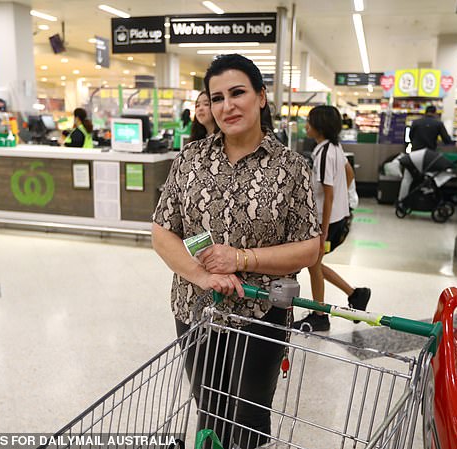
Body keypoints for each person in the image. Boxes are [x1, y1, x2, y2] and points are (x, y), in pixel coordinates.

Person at [152, 54, 319, 449]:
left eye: (238, 93)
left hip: (263, 312)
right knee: (209, 408)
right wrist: (204, 276)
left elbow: (309, 247)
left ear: (261, 97)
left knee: (248, 418)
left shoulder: (291, 167)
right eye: (217, 97)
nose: (227, 106)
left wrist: (241, 260)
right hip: (197, 309)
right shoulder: (190, 159)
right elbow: (162, 232)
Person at [292, 106, 371, 332]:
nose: (305, 126)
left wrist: (323, 229)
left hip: (326, 221)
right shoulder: (335, 147)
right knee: (314, 264)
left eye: (308, 121)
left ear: (319, 126)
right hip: (337, 218)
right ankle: (356, 294)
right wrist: (341, 204)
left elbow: (327, 193)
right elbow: (349, 174)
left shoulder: (324, 153)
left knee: (313, 266)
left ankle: (320, 316)